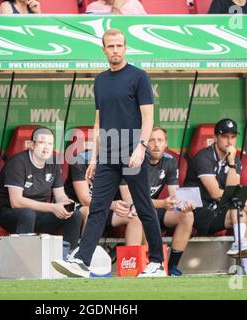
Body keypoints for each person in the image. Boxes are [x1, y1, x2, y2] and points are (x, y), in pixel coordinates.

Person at [52, 28, 164, 278]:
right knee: (97, 207)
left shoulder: (139, 77)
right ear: (104, 50)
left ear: (125, 48)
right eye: (110, 46)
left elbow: (148, 116)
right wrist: (92, 158)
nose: (115, 50)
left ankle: (157, 262)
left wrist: (142, 147)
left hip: (133, 152)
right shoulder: (100, 80)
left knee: (144, 207)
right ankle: (82, 261)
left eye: (119, 46)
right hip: (108, 156)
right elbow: (99, 123)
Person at [183, 118, 247, 275]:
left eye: (233, 136)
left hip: (218, 209)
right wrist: (245, 202)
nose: (229, 141)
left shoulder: (235, 159)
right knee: (240, 205)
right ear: (215, 138)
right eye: (225, 136)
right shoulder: (203, 157)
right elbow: (214, 192)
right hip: (198, 211)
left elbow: (231, 189)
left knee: (240, 209)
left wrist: (232, 163)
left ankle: (246, 264)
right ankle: (245, 258)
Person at [0, 127, 83, 251]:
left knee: (75, 215)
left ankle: (67, 259)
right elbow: (16, 202)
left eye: (50, 143)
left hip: (38, 212)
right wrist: (52, 207)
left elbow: (60, 194)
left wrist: (66, 204)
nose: (46, 147)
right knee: (27, 213)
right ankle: (23, 260)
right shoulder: (18, 162)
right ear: (32, 145)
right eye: (42, 142)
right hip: (6, 211)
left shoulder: (53, 162)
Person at [137, 126, 195, 276]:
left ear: (166, 143)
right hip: (135, 210)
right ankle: (150, 264)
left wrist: (185, 204)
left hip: (156, 208)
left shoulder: (169, 161)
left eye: (160, 140)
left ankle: (172, 267)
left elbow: (174, 195)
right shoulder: (136, 160)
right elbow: (134, 201)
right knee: (145, 214)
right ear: (144, 143)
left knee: (187, 215)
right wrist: (162, 203)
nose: (156, 144)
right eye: (152, 140)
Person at [64, 146, 145, 246]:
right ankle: (84, 255)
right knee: (91, 211)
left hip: (106, 206)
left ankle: (132, 260)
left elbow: (127, 196)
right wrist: (111, 205)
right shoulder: (79, 160)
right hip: (80, 206)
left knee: (135, 218)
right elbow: (84, 199)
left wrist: (132, 207)